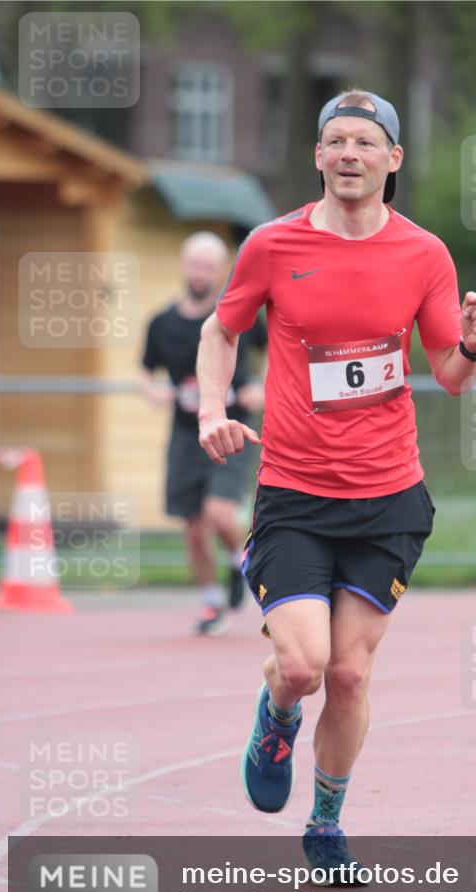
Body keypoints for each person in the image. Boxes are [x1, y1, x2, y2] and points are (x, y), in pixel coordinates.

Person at [197, 91, 476, 876]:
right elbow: (221, 329)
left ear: (391, 160)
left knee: (349, 671)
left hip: (388, 495)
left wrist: (471, 345)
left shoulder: (423, 255)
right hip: (296, 494)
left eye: (364, 143)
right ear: (317, 156)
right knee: (301, 667)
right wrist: (210, 408)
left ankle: (326, 823)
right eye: (334, 140)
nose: (347, 155)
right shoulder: (271, 243)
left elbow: (449, 375)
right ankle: (276, 715)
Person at [140, 232, 267, 636]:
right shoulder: (162, 323)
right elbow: (145, 370)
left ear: (219, 271)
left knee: (218, 513)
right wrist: (152, 390)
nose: (199, 274)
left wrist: (259, 386)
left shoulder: (236, 314)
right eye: (194, 265)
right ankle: (212, 600)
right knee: (193, 525)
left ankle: (238, 560)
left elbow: (275, 350)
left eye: (208, 267)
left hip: (232, 427)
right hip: (186, 432)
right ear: (183, 266)